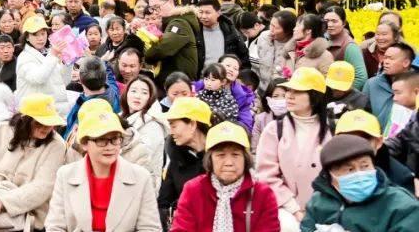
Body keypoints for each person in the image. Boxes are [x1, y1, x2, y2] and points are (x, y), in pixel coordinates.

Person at [45, 102, 161, 232]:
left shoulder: (141, 177)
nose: (110, 147)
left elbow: (150, 228)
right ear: (84, 143)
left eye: (115, 139)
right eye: (101, 140)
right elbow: (55, 226)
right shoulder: (65, 175)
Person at [255, 67, 333, 230]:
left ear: (314, 96)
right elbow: (266, 175)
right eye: (289, 89)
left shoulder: (332, 129)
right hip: (286, 210)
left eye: (298, 91)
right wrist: (294, 209)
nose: (289, 95)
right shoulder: (274, 129)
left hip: (326, 210)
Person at [0, 93, 66, 232]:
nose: (46, 128)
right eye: (39, 123)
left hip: (31, 215)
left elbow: (42, 187)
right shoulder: (0, 130)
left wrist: (0, 203)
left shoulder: (57, 144)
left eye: (50, 123)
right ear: (25, 120)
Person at [170, 122, 280, 232]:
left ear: (245, 158)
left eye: (235, 155)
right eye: (220, 155)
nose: (229, 163)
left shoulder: (263, 194)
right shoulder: (193, 190)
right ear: (210, 159)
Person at [300, 134, 419, 232]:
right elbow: (306, 228)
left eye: (365, 166)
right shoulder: (318, 202)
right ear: (330, 175)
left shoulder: (401, 205)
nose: (360, 174)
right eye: (349, 169)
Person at [333, 108, 415, 191]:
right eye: (348, 139)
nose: (356, 146)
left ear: (378, 142)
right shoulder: (330, 170)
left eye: (363, 140)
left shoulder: (400, 177)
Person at [160, 97, 212, 224]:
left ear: (193, 124)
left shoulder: (219, 158)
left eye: (174, 126)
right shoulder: (177, 158)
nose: (170, 132)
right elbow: (163, 202)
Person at [143, 0, 198, 90]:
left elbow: (161, 49)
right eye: (152, 8)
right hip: (173, 83)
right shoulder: (170, 23)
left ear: (170, 2)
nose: (155, 12)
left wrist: (147, 55)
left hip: (178, 85)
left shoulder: (179, 23)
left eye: (157, 7)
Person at [15, 15, 70, 115]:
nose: (40, 38)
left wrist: (67, 61)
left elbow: (64, 81)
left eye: (43, 33)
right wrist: (53, 55)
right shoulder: (24, 57)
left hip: (56, 112)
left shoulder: (49, 53)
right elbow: (38, 78)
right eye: (35, 35)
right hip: (35, 113)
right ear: (27, 37)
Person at [122, 75, 167, 191]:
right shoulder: (121, 117)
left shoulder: (153, 125)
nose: (138, 96)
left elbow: (143, 158)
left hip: (141, 188)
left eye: (144, 92)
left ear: (150, 97)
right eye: (133, 91)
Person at [364, 42, 415, 133]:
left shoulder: (415, 86)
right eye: (385, 57)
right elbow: (363, 115)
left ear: (406, 63)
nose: (385, 62)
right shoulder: (372, 84)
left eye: (391, 59)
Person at [255, 11, 297, 93]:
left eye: (276, 27)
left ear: (288, 31)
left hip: (281, 91)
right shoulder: (263, 37)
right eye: (271, 25)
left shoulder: (294, 46)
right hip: (262, 87)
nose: (271, 30)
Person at [324, 60, 371, 131]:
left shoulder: (361, 101)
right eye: (332, 85)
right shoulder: (322, 94)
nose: (335, 89)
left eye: (340, 87)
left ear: (351, 83)